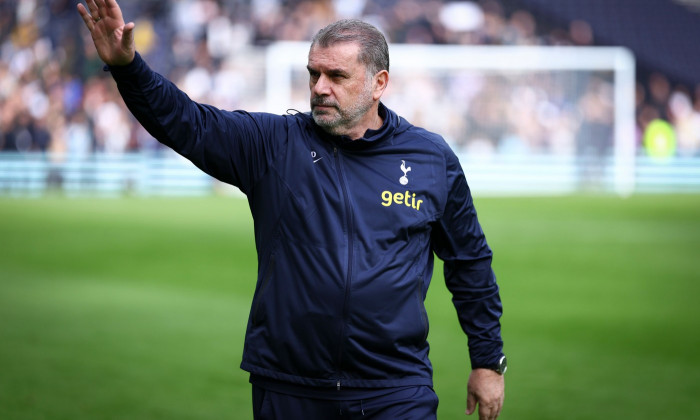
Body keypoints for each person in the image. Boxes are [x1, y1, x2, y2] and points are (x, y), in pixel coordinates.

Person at [77, 0, 506, 418]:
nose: (320, 87)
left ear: (379, 83)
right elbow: (188, 122)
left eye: (336, 75)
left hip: (395, 388)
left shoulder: (431, 158)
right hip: (290, 387)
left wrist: (487, 361)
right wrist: (128, 67)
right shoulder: (273, 144)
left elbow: (470, 261)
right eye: (314, 74)